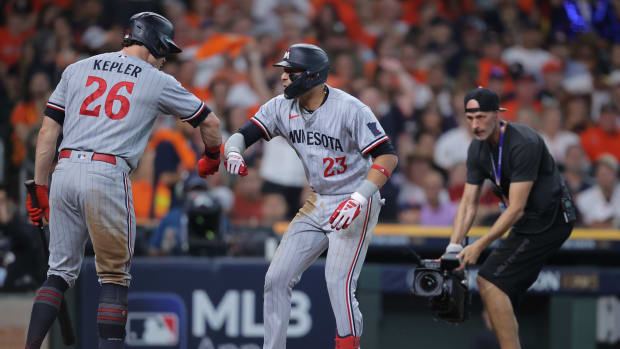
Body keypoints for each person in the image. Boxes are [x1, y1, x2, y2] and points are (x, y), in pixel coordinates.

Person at [23, 12, 222, 349]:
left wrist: (40, 187)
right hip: (107, 172)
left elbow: (47, 133)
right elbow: (211, 123)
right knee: (114, 278)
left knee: (58, 274)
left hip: (65, 168)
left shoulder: (77, 68)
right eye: (165, 51)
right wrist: (211, 158)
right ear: (155, 44)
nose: (164, 59)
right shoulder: (157, 79)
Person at [223, 43, 398, 349]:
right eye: (284, 72)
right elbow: (244, 133)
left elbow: (387, 157)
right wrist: (234, 151)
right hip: (319, 199)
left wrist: (359, 199)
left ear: (313, 76)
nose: (284, 78)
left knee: (338, 282)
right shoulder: (280, 106)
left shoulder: (350, 108)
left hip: (356, 196)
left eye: (291, 72)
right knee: (275, 279)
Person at [445, 88, 574, 349]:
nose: (475, 125)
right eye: (470, 119)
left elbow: (516, 208)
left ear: (497, 114)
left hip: (551, 218)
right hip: (528, 221)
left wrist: (479, 245)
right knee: (497, 286)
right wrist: (453, 247)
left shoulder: (523, 142)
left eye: (480, 117)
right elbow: (469, 203)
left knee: (490, 280)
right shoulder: (477, 149)